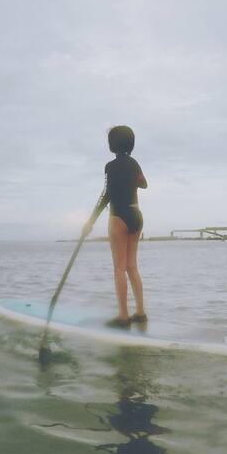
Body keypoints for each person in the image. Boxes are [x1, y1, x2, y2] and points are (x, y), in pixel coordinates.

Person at [83, 125, 148, 327]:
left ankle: (123, 316)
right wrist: (132, 178)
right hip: (136, 215)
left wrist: (91, 221)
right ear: (131, 143)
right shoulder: (135, 163)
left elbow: (106, 196)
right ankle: (140, 312)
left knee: (119, 268)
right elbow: (144, 184)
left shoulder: (110, 167)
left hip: (119, 216)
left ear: (112, 144)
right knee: (132, 266)